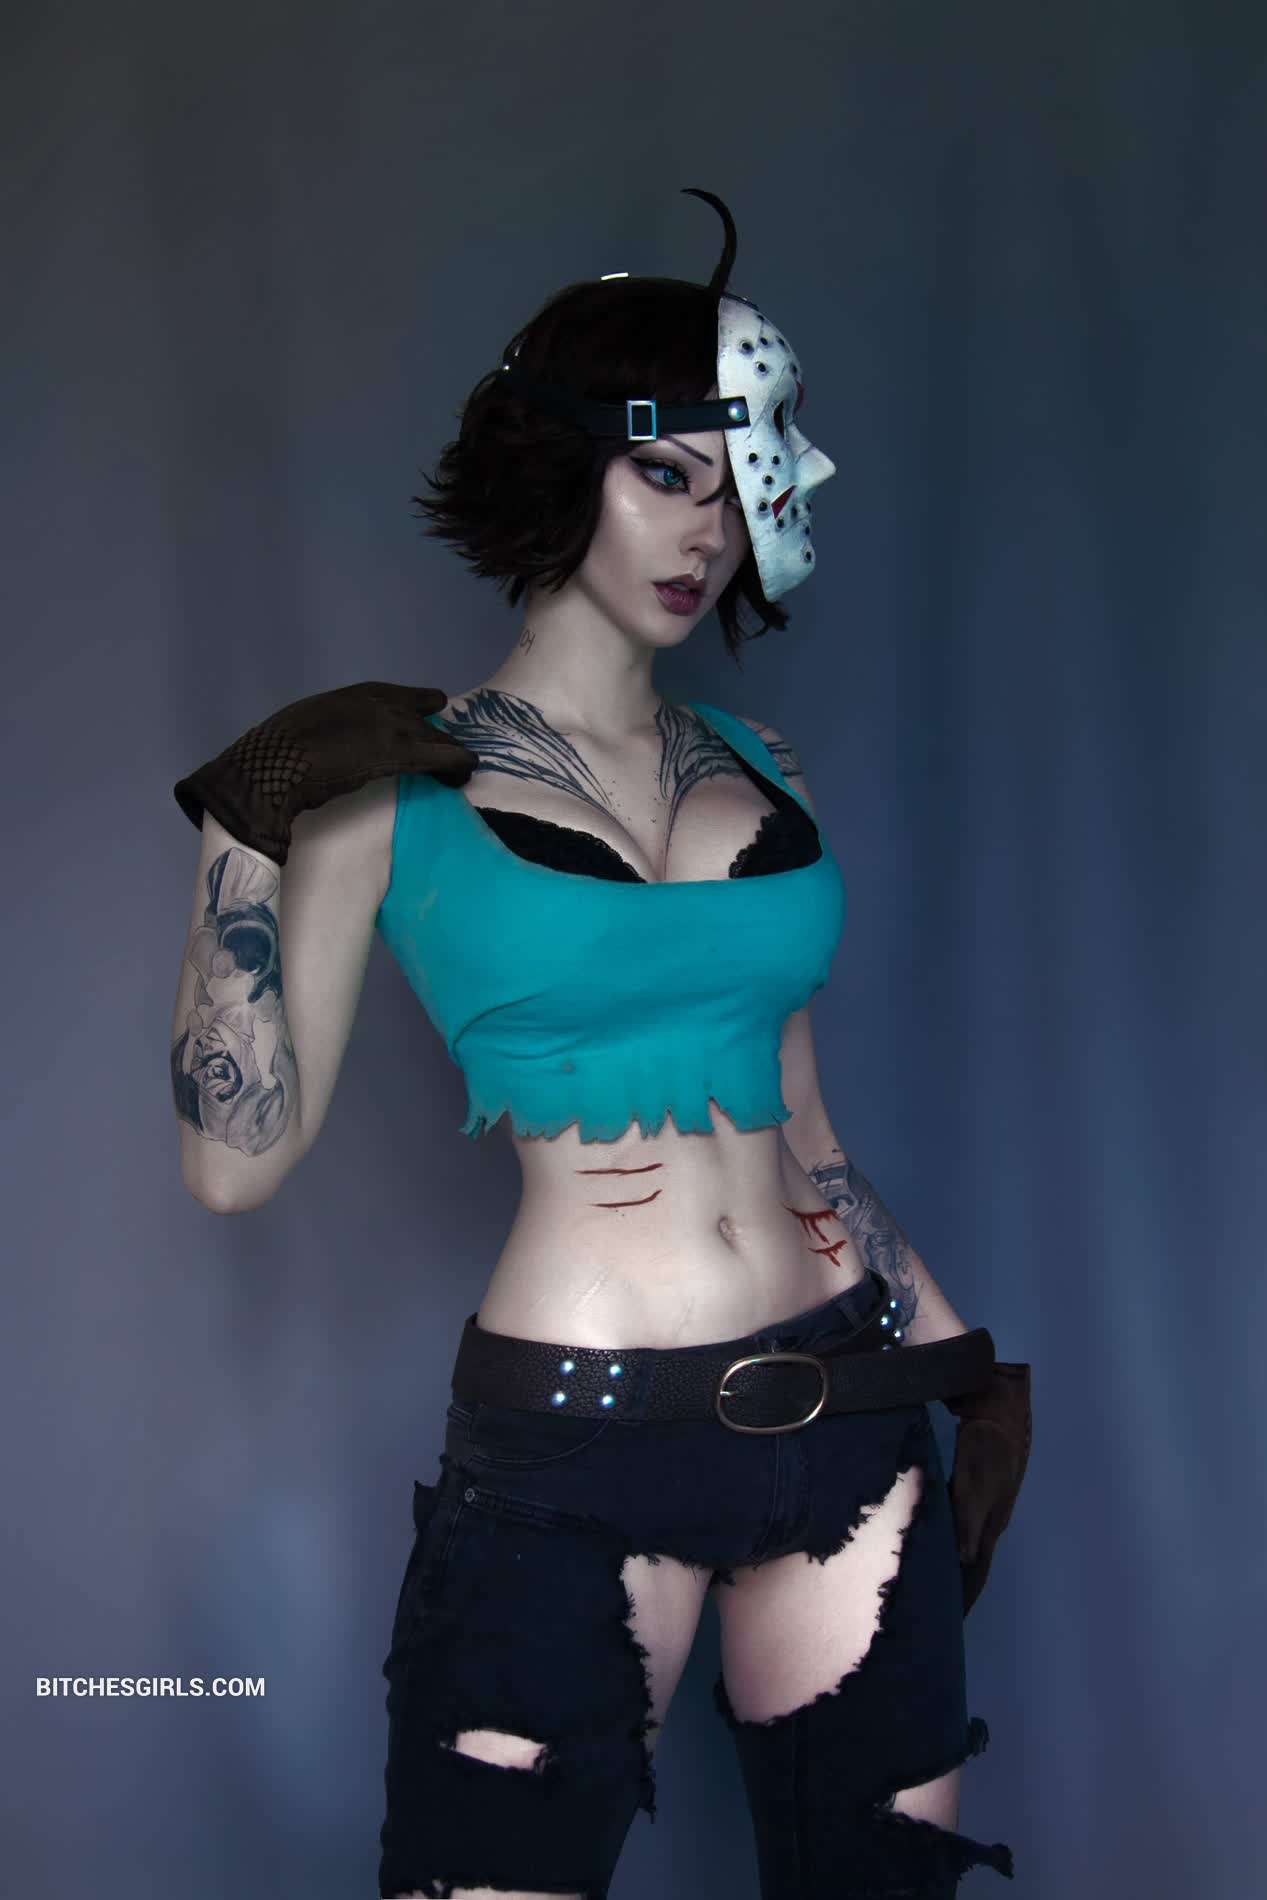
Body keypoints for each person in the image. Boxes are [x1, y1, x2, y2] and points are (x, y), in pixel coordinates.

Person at [170, 189, 1029, 1900]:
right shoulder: (382, 791)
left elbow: (799, 1118)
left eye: (729, 487)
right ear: (564, 467)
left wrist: (957, 1361)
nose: (702, 530)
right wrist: (247, 830)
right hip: (579, 1442)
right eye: (661, 473)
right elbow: (231, 1165)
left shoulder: (765, 763)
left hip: (850, 1416)